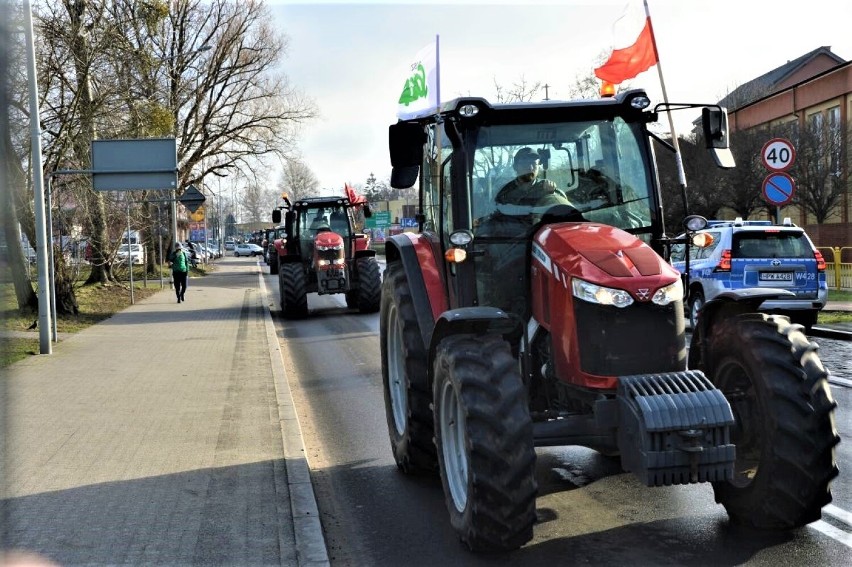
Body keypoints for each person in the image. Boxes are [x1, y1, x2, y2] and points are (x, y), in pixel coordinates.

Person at [494, 147, 573, 210]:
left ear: (538, 167)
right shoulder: (505, 192)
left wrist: (551, 194)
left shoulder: (547, 188)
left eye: (534, 164)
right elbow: (495, 215)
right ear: (515, 167)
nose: (530, 167)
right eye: (525, 163)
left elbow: (564, 210)